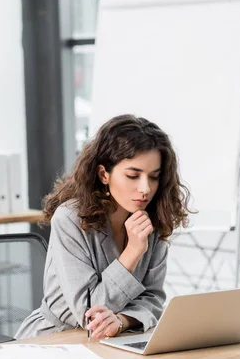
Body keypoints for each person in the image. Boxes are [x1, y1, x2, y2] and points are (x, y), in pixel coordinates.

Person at [15, 114, 192, 340]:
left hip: (119, 338)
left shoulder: (153, 220)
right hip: (56, 341)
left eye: (154, 177)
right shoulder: (69, 219)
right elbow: (90, 313)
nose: (145, 188)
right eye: (133, 175)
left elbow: (153, 299)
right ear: (103, 174)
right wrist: (132, 253)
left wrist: (122, 321)